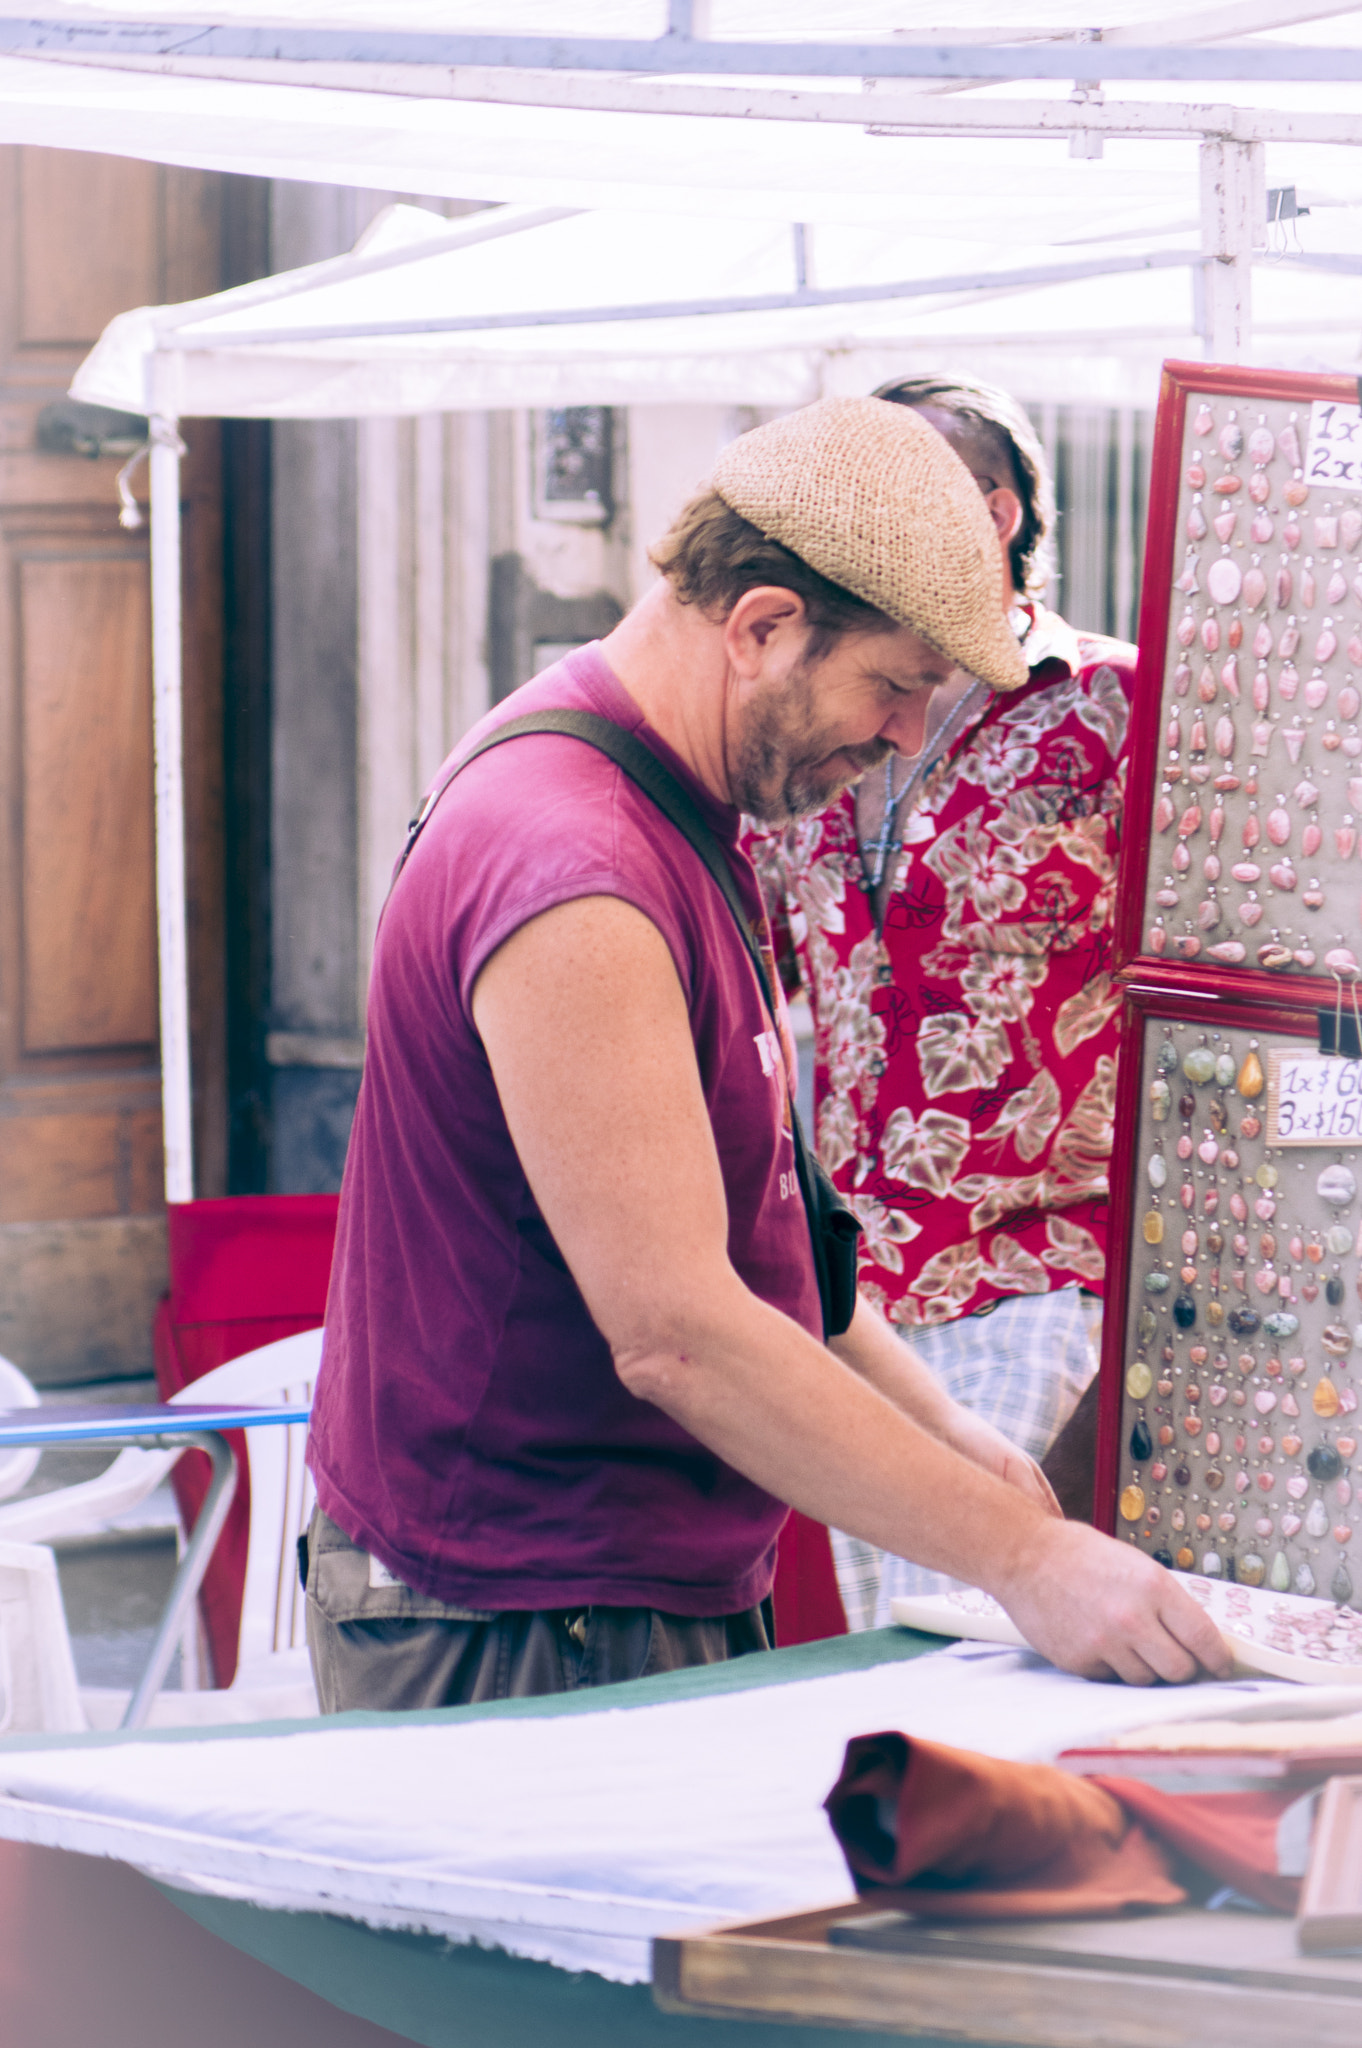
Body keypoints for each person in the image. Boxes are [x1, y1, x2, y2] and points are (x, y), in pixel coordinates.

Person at [303, 397, 1226, 1711]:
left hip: (594, 1588)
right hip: (518, 1607)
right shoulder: (575, 868)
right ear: (761, 628)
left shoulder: (676, 802)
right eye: (895, 685)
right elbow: (679, 1331)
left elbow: (768, 1222)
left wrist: (959, 1444)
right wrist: (1024, 1559)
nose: (907, 737)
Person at [745, 376, 1134, 1628]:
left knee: (961, 1638)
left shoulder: (1119, 705)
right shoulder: (808, 715)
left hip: (1034, 1265)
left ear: (995, 508)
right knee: (877, 1661)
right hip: (849, 1293)